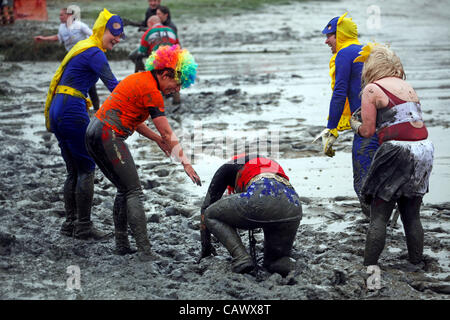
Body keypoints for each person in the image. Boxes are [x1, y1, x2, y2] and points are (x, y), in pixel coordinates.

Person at [85, 44, 201, 260]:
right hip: (108, 135)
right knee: (134, 192)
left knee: (124, 188)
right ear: (165, 73)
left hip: (93, 131)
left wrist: (155, 139)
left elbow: (134, 120)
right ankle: (145, 251)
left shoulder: (138, 79)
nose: (176, 90)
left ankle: (122, 244)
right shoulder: (152, 91)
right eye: (177, 84)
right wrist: (185, 162)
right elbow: (167, 131)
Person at [350, 43, 434, 267]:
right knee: (412, 214)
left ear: (371, 67)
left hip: (397, 150)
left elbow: (368, 131)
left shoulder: (372, 89)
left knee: (379, 215)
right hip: (424, 149)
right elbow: (405, 120)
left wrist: (353, 124)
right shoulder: (408, 87)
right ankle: (416, 262)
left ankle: (369, 266)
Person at [44, 9, 124, 240]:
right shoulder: (95, 53)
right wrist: (138, 102)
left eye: (120, 36)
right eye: (114, 34)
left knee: (73, 169)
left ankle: (70, 224)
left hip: (58, 107)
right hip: (72, 108)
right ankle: (84, 225)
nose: (117, 39)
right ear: (102, 30)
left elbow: (90, 85)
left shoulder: (83, 48)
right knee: (87, 167)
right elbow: (114, 86)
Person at [316, 12, 379, 217]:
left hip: (366, 123)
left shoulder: (344, 54)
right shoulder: (370, 51)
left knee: (362, 182)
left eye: (330, 35)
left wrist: (331, 127)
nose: (326, 40)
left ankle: (377, 224)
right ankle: (386, 219)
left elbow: (340, 91)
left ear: (340, 35)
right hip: (386, 119)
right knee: (382, 175)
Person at [199, 153, 302, 277]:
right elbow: (274, 199)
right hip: (293, 205)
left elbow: (205, 209)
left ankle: (241, 257)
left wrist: (206, 249)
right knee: (274, 263)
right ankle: (283, 263)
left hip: (262, 196)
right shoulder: (269, 163)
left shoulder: (228, 167)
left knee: (211, 214)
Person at [35, 6, 100, 110]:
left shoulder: (79, 25)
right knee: (72, 81)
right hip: (72, 58)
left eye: (62, 15)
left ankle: (96, 108)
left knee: (90, 84)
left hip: (85, 57)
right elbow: (58, 37)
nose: (60, 17)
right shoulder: (61, 27)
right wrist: (43, 38)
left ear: (69, 15)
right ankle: (77, 106)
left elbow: (93, 36)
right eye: (59, 15)